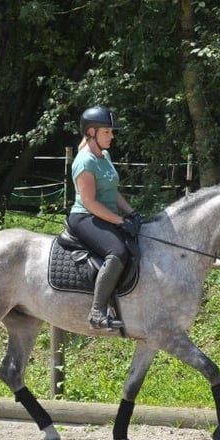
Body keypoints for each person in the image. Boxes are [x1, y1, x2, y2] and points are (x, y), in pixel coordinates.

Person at [68, 105, 143, 331]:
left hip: (104, 215)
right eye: (107, 132)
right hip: (85, 217)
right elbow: (90, 201)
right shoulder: (84, 161)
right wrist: (120, 222)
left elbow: (113, 191)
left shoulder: (105, 156)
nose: (112, 136)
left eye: (112, 132)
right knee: (117, 252)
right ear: (92, 132)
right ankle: (97, 312)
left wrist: (131, 213)